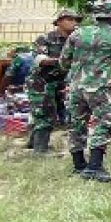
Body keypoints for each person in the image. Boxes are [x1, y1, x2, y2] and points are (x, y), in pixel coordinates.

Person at [60, 1, 111, 181]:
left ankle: (79, 165)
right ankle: (95, 166)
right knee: (105, 122)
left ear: (95, 17)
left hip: (76, 86)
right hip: (100, 87)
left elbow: (64, 61)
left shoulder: (77, 33)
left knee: (76, 123)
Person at [25, 9, 79, 154]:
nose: (74, 22)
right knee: (44, 114)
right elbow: (40, 60)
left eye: (76, 20)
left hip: (60, 82)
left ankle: (33, 142)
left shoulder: (75, 40)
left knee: (55, 114)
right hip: (40, 82)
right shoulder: (45, 38)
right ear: (59, 22)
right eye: (70, 19)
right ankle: (40, 150)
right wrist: (63, 61)